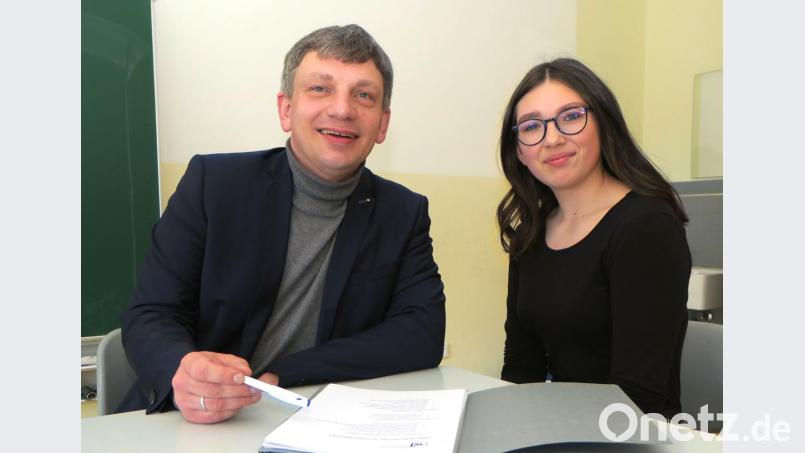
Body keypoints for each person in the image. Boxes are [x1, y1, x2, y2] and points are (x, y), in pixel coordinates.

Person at [118, 24, 446, 423]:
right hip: (192, 423)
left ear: (382, 124)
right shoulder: (213, 184)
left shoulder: (403, 211)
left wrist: (283, 375)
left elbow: (422, 334)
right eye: (320, 88)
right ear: (286, 109)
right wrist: (182, 375)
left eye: (363, 95)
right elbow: (152, 312)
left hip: (312, 418)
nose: (342, 109)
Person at [496, 58, 691, 419]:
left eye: (570, 117)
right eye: (532, 126)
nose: (552, 139)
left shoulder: (646, 227)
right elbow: (521, 367)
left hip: (630, 436)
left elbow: (637, 399)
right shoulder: (531, 232)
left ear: (603, 123)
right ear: (520, 151)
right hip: (557, 427)